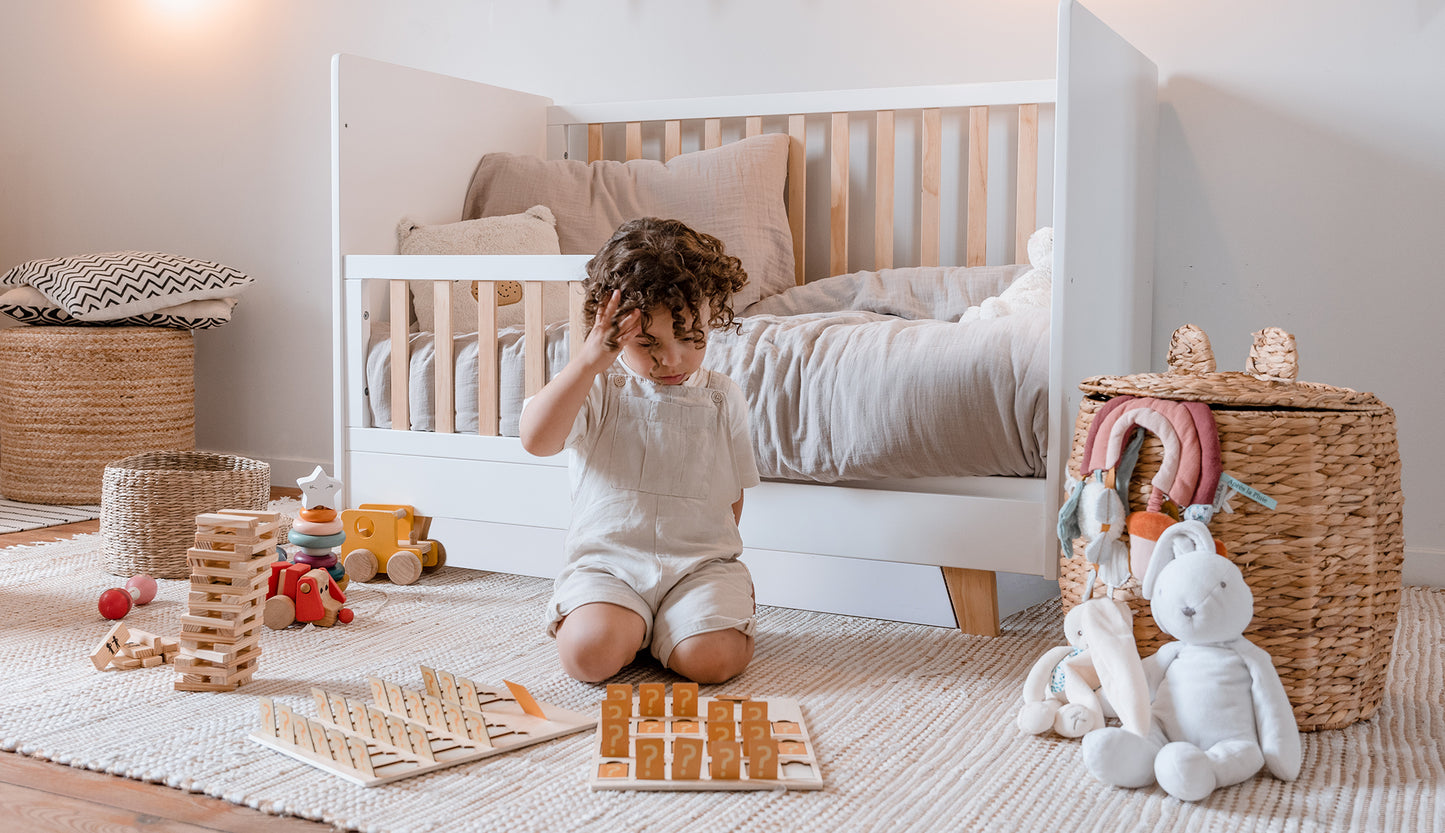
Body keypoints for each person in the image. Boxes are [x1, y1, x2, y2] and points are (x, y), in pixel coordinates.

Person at [519, 217, 760, 685]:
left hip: (699, 565)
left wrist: (717, 574)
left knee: (712, 661)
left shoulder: (721, 395)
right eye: (648, 343)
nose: (672, 359)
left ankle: (702, 615)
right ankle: (641, 627)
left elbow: (732, 497)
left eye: (692, 338)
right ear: (609, 330)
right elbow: (536, 439)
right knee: (588, 657)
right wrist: (589, 360)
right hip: (610, 567)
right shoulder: (598, 386)